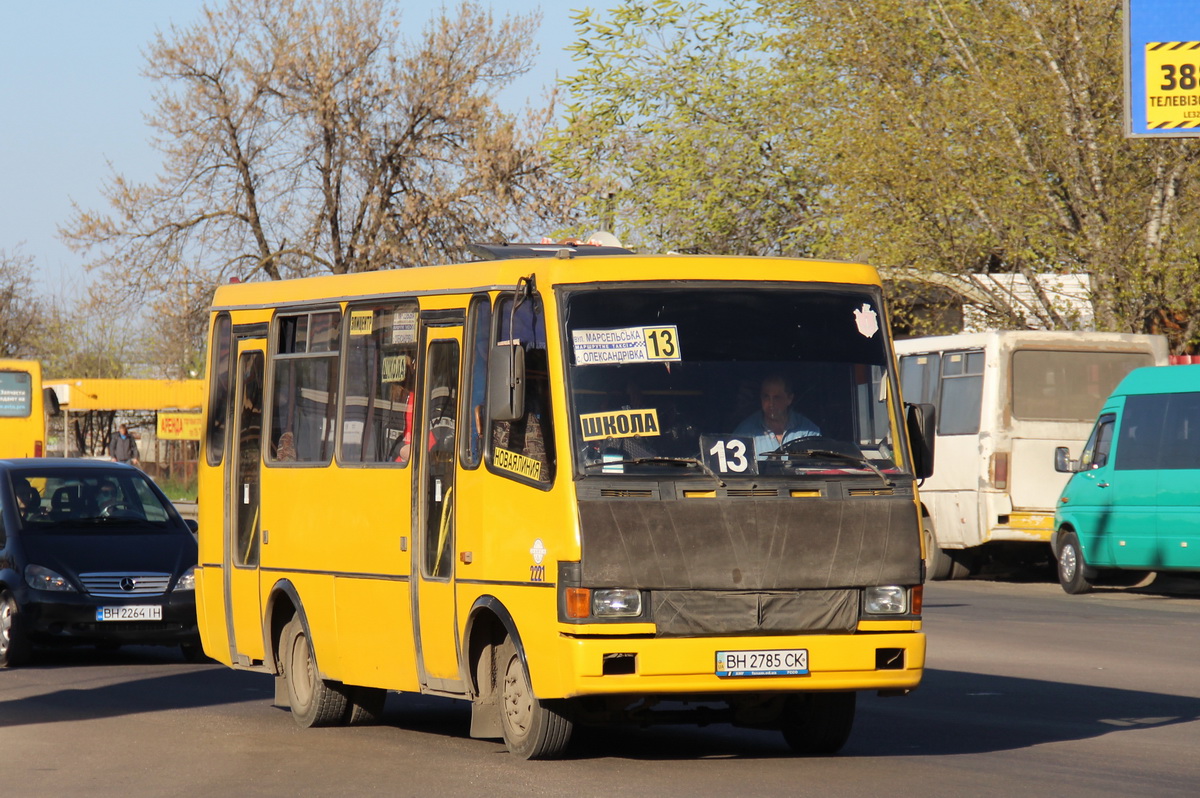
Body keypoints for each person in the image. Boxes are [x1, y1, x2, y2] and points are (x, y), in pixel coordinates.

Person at [734, 374, 820, 456]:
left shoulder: (809, 432)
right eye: (766, 397)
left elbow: (817, 468)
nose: (771, 403)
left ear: (789, 399)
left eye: (777, 397)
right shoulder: (745, 432)